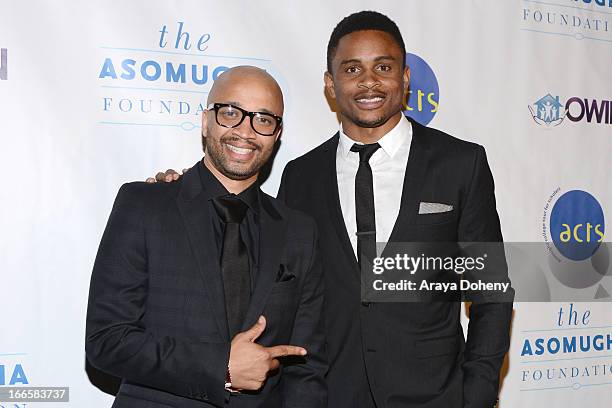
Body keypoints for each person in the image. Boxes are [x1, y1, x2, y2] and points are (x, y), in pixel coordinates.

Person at [153, 11, 513, 408]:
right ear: (331, 83)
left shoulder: (460, 164)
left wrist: (476, 394)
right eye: (352, 68)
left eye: (384, 66)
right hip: (329, 395)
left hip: (436, 397)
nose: (369, 81)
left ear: (405, 78)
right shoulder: (301, 176)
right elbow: (266, 267)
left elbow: (491, 291)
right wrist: (185, 192)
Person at [86, 66, 327, 408]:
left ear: (277, 133)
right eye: (231, 113)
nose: (245, 131)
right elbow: (107, 340)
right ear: (205, 121)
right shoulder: (145, 205)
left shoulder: (298, 231)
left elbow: (307, 365)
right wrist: (220, 367)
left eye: (263, 118)